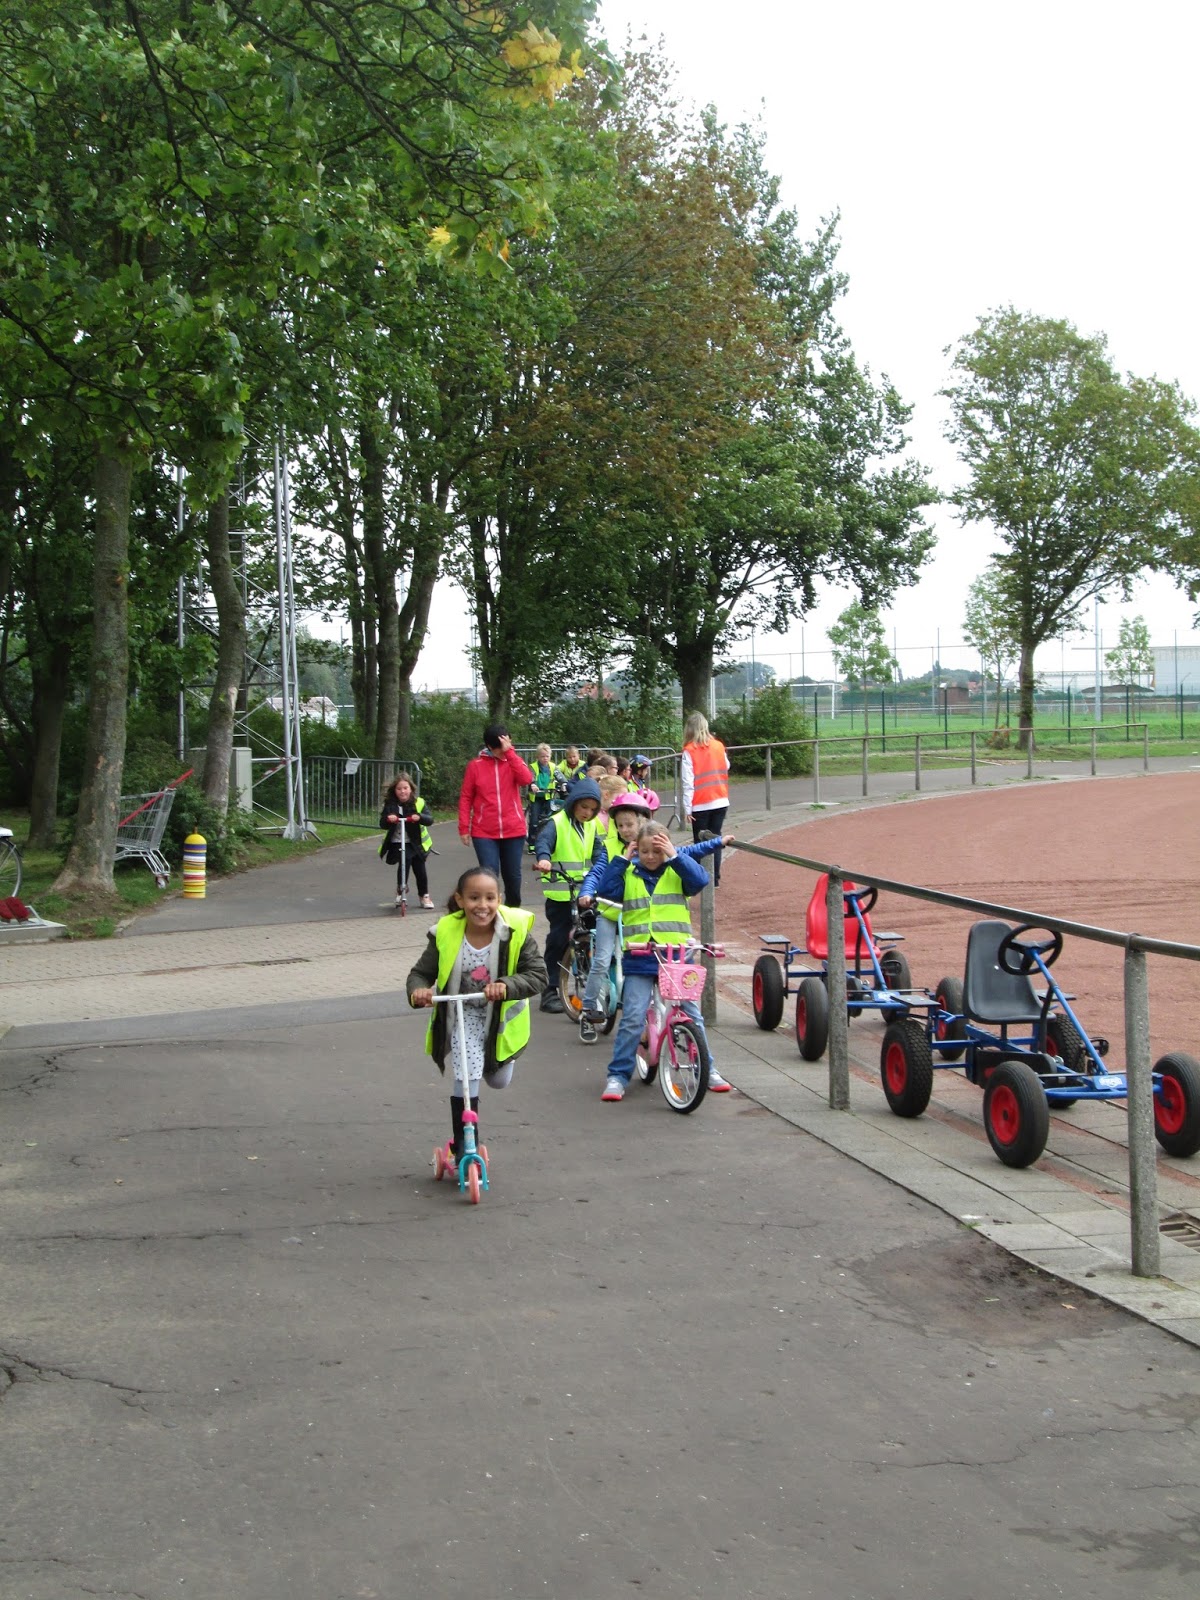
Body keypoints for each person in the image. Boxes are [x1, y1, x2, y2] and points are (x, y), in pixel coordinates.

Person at [407, 867, 547, 1172]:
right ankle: (464, 1145)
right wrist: (419, 990)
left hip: (501, 1018)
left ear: (499, 900)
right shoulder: (446, 932)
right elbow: (421, 973)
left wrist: (506, 985)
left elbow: (538, 975)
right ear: (460, 900)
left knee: (497, 1080)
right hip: (463, 1013)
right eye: (473, 898)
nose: (482, 905)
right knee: (466, 1077)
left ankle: (492, 1065)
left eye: (489, 898)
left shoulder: (514, 932)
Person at [587, 818, 730, 1100]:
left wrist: (676, 856)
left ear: (666, 849)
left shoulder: (677, 870)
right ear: (636, 850)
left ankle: (707, 1069)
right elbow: (606, 891)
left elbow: (700, 881)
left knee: (692, 1015)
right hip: (639, 956)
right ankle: (618, 1076)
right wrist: (621, 860)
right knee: (632, 1017)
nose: (651, 857)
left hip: (676, 956)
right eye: (644, 851)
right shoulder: (628, 872)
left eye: (657, 851)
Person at [532, 775, 607, 1014]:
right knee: (559, 940)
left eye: (592, 809)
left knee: (590, 939)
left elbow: (599, 853)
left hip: (585, 893)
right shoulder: (557, 822)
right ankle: (550, 990)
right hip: (561, 895)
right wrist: (544, 859)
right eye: (583, 807)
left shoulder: (593, 825)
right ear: (573, 802)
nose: (587, 813)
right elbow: (543, 842)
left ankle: (588, 989)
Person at [458, 723, 534, 907]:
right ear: (490, 747)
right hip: (484, 831)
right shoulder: (475, 766)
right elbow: (466, 797)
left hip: (513, 829)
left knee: (512, 876)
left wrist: (510, 754)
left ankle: (513, 911)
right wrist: (464, 827)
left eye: (508, 744)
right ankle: (491, 913)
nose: (504, 750)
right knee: (489, 876)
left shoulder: (514, 761)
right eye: (500, 748)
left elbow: (526, 779)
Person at [681, 710, 731, 887]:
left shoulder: (689, 751)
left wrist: (687, 808)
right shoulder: (718, 746)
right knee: (716, 839)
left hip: (700, 803)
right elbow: (726, 765)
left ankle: (700, 878)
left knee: (700, 843)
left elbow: (688, 782)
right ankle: (714, 878)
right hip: (720, 798)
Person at [379, 771, 435, 909]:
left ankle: (424, 895)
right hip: (398, 841)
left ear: (411, 789)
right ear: (395, 790)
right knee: (406, 859)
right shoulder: (390, 804)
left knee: (420, 869)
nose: (402, 791)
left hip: (416, 842)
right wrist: (389, 819)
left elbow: (429, 820)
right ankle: (401, 891)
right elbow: (382, 823)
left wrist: (419, 817)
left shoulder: (419, 802)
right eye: (399, 789)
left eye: (405, 788)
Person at [526, 742, 559, 850]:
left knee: (550, 820)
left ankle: (548, 842)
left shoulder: (553, 767)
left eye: (547, 756)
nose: (545, 758)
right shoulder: (533, 767)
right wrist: (533, 784)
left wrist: (564, 783)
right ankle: (532, 843)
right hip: (536, 797)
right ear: (538, 757)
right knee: (534, 821)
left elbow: (560, 776)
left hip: (548, 796)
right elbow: (530, 777)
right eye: (542, 756)